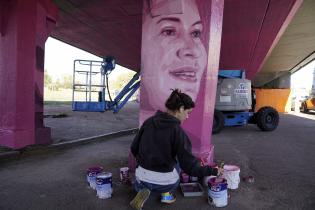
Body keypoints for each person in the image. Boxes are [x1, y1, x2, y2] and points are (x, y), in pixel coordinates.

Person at [130, 89, 222, 210]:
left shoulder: (148, 122)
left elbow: (134, 148)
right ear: (181, 109)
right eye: (188, 112)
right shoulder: (178, 132)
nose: (187, 117)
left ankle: (144, 188)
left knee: (153, 165)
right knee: (178, 161)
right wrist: (213, 171)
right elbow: (190, 168)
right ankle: (166, 195)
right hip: (165, 183)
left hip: (141, 178)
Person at [140, 0, 208, 117]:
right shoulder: (175, 133)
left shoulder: (149, 127)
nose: (194, 51)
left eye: (196, 33)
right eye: (169, 31)